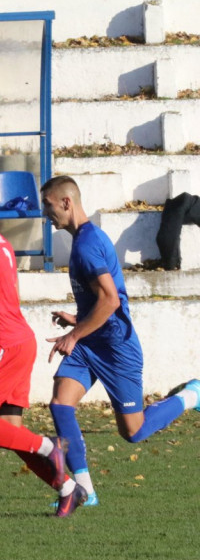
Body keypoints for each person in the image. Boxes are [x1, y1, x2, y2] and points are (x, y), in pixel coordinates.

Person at [40, 175, 200, 507]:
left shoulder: (86, 244)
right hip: (90, 343)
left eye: (48, 205)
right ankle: (85, 490)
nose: (46, 214)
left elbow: (111, 301)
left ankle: (190, 395)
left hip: (115, 347)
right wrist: (77, 321)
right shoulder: (84, 239)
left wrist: (74, 334)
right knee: (60, 405)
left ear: (66, 202)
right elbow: (100, 299)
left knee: (134, 431)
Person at [0, 183, 84, 517]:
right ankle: (68, 489)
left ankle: (51, 446)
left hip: (5, 345)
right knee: (11, 432)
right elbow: (7, 294)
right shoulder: (0, 241)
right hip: (20, 339)